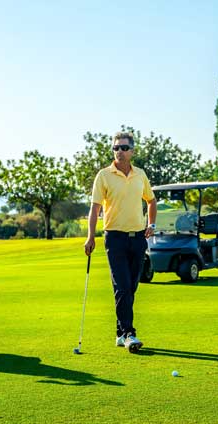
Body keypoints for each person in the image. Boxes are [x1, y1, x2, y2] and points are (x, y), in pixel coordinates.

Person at [84, 132, 157, 353]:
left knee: (130, 288)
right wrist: (90, 236)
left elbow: (152, 201)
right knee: (123, 286)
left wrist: (151, 224)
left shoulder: (140, 174)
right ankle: (128, 333)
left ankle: (119, 331)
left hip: (138, 239)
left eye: (124, 148)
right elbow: (95, 208)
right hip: (114, 238)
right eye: (116, 148)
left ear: (132, 151)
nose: (120, 151)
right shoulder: (104, 175)